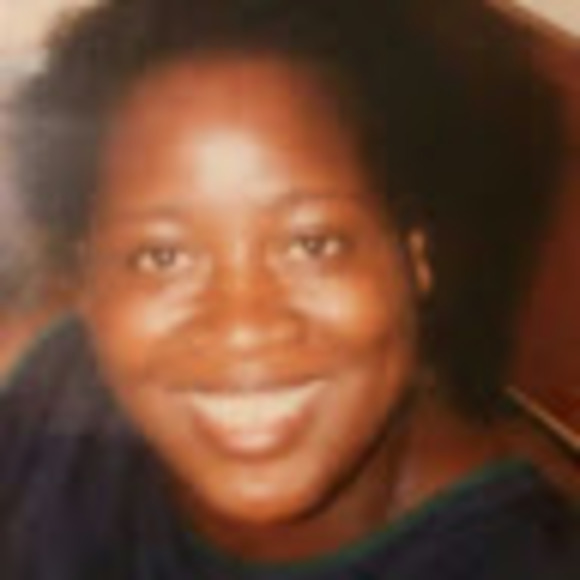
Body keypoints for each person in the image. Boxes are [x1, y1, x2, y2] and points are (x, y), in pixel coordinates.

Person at [0, 0, 577, 578]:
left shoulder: (515, 556)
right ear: (89, 279)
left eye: (313, 244)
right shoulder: (41, 391)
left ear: (413, 257)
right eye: (162, 256)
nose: (243, 326)